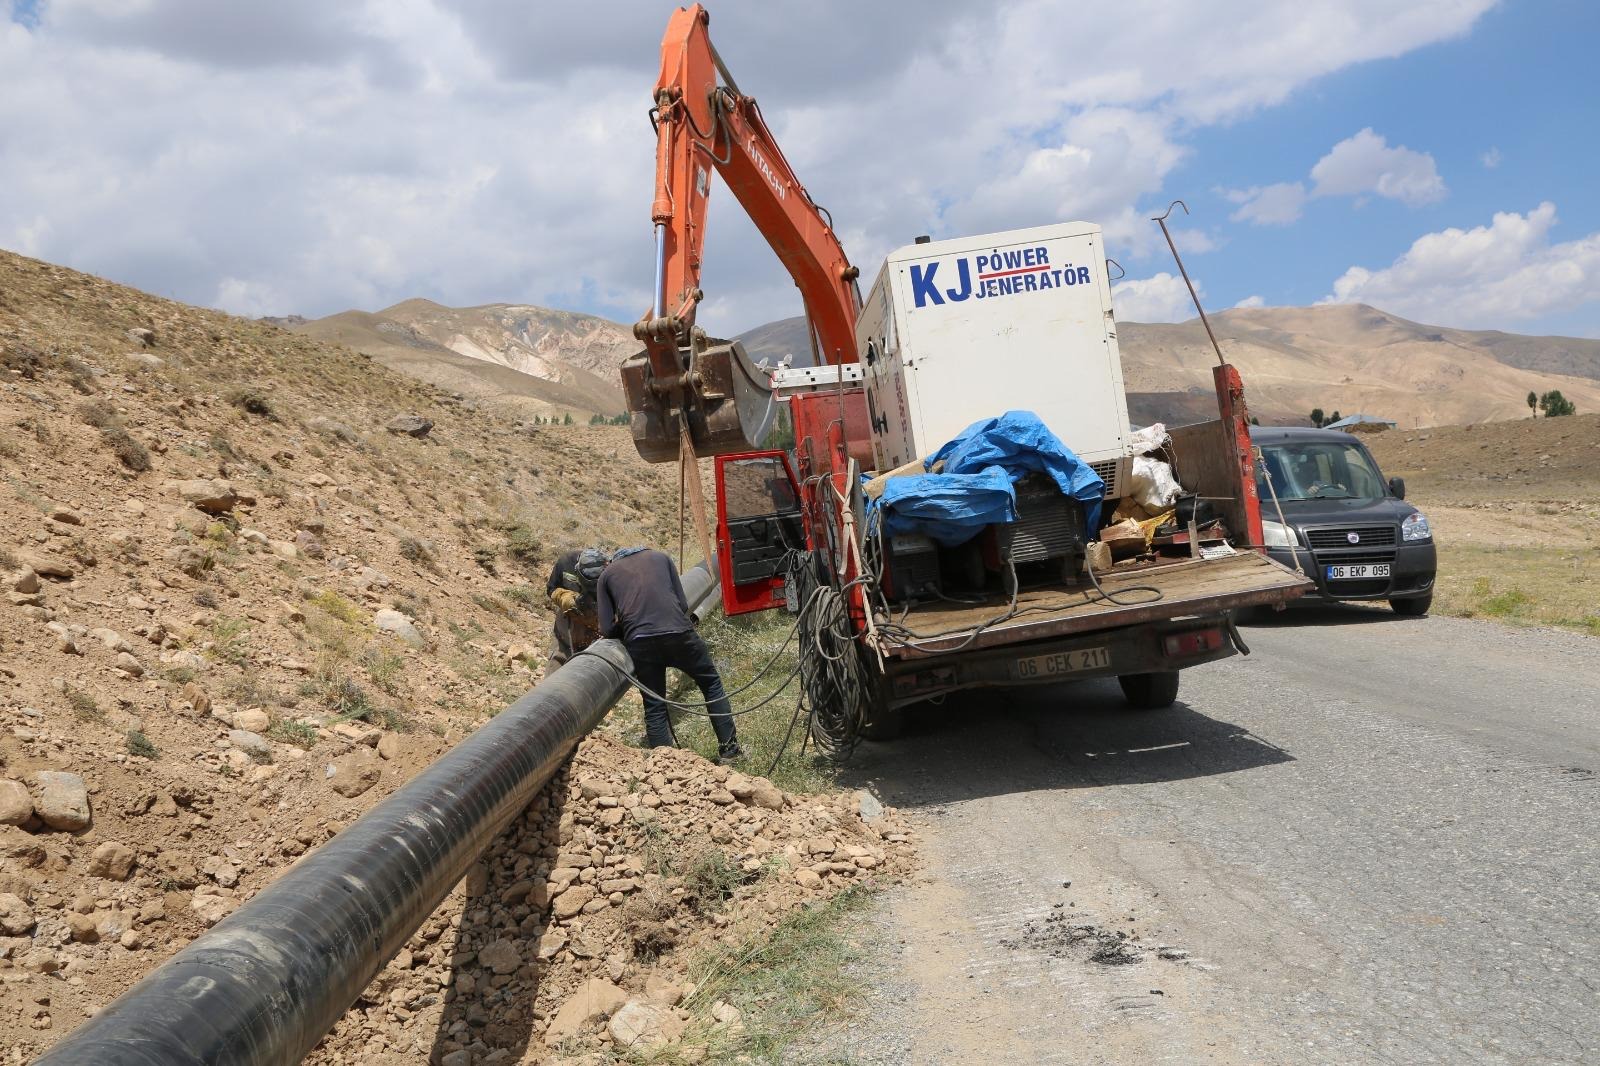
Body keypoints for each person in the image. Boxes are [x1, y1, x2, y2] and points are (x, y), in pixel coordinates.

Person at [596, 547, 743, 762]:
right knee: (710, 684)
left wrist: (629, 627)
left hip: (640, 642)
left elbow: (606, 629)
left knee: (655, 704)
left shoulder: (606, 575)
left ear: (613, 560)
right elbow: (683, 605)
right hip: (679, 633)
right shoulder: (660, 557)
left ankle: (666, 767)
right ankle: (730, 751)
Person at [545, 547, 606, 671]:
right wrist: (563, 597)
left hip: (596, 639)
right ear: (577, 570)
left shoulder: (612, 572)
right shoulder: (566, 562)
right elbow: (551, 588)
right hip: (565, 636)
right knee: (555, 677)